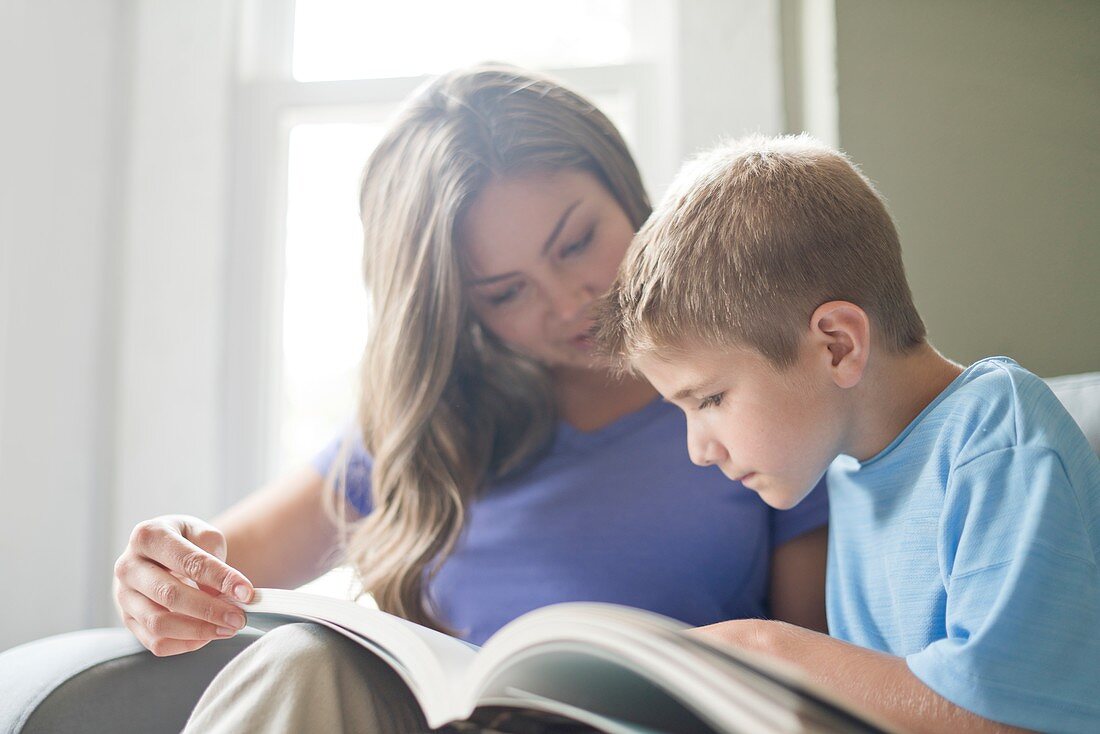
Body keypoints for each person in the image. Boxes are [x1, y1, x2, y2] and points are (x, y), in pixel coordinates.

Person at [111, 67, 830, 731]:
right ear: (463, 310)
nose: (569, 301)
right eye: (507, 292)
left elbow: (816, 684)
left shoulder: (756, 396)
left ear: (628, 191)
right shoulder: (428, 427)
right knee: (300, 660)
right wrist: (162, 573)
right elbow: (221, 570)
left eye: (578, 240)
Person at [595, 133, 1100, 734]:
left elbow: (1008, 716)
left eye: (709, 399)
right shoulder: (849, 468)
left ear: (837, 344)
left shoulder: (995, 437)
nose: (698, 450)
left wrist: (765, 651)